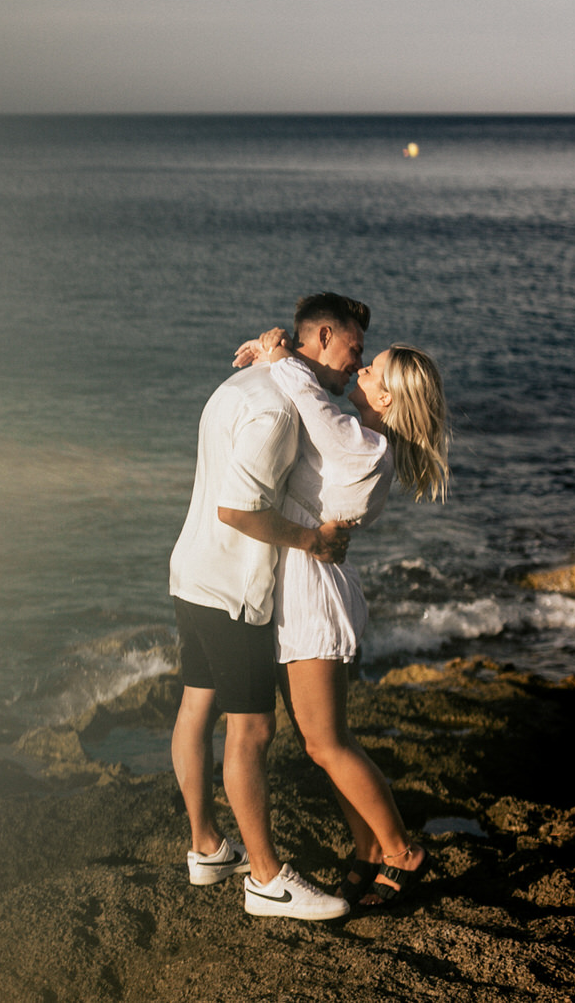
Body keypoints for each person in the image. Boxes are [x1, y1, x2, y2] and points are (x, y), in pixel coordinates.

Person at [230, 325, 449, 907]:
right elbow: (313, 396)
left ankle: (401, 850)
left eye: (372, 372)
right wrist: (269, 360)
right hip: (301, 584)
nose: (361, 373)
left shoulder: (365, 447)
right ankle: (368, 850)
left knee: (327, 744)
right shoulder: (356, 435)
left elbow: (307, 397)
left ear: (387, 400)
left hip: (313, 596)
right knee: (324, 739)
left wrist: (278, 355)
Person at [167, 293, 368, 921]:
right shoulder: (280, 410)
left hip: (191, 570)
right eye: (355, 350)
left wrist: (276, 354)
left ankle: (206, 848)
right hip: (234, 590)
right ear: (327, 336)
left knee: (196, 707)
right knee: (251, 730)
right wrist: (313, 540)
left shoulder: (250, 381)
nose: (356, 367)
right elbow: (239, 508)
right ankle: (267, 880)